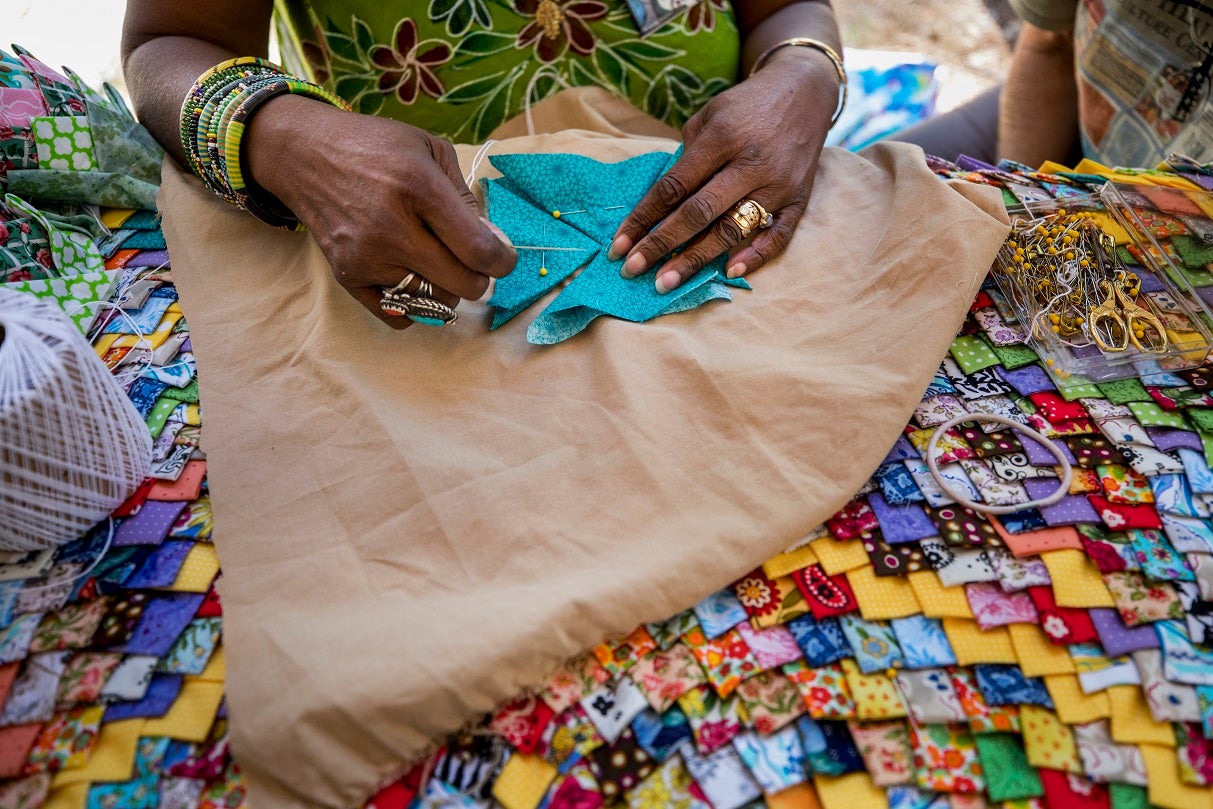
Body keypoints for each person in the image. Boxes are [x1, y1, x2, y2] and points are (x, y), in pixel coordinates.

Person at [121, 0, 844, 328]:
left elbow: (786, 8)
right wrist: (287, 139)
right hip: (431, 254)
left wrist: (805, 74)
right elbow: (169, 42)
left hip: (737, 218)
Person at [896, 0, 1212, 168]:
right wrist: (1014, 196)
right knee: (872, 186)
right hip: (1073, 118)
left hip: (1179, 241)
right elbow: (1049, 46)